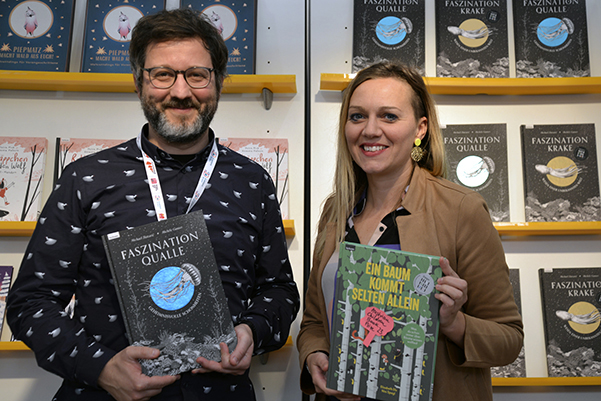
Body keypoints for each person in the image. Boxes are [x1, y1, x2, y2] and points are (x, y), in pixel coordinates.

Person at [7, 8, 299, 401]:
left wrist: (253, 331)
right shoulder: (85, 178)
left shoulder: (253, 182)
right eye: (163, 74)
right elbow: (30, 302)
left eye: (197, 75)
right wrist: (100, 368)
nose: (180, 92)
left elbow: (279, 291)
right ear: (138, 82)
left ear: (218, 82)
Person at [296, 62, 523, 401]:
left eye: (389, 116)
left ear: (420, 129)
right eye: (357, 116)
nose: (370, 130)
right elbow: (315, 320)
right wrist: (315, 355)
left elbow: (509, 339)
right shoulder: (336, 210)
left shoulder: (462, 209)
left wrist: (453, 322)